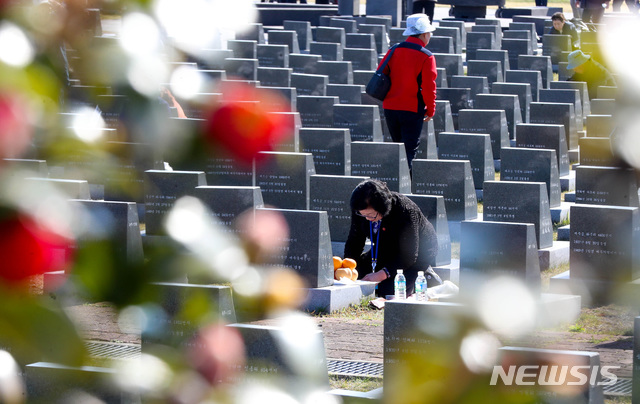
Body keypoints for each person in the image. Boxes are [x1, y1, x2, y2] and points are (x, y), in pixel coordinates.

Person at [344, 179, 442, 298]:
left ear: (382, 208)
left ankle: (427, 276)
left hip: (417, 254)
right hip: (384, 247)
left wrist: (382, 274)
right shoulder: (361, 210)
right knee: (358, 277)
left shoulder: (406, 210)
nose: (366, 219)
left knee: (390, 292)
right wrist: (347, 268)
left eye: (370, 215)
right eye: (362, 215)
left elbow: (410, 255)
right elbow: (355, 241)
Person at [377, 13, 437, 175]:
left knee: (398, 149)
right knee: (409, 151)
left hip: (390, 107)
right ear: (424, 34)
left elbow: (380, 73)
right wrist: (431, 109)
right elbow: (428, 87)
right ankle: (404, 189)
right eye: (429, 33)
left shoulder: (393, 50)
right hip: (411, 109)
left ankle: (396, 186)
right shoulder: (426, 56)